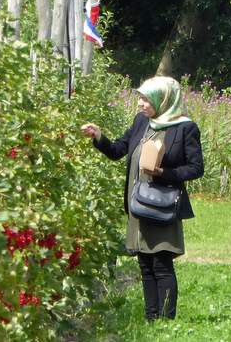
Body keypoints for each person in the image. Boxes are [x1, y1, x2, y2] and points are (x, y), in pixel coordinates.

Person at [80, 76, 204, 321]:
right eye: (140, 98)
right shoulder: (142, 122)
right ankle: (151, 319)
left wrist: (164, 173)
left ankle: (167, 321)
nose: (140, 104)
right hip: (138, 205)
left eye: (146, 99)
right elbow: (117, 151)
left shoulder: (184, 128)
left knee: (161, 263)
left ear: (163, 100)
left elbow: (196, 168)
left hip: (162, 205)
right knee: (145, 265)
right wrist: (98, 137)